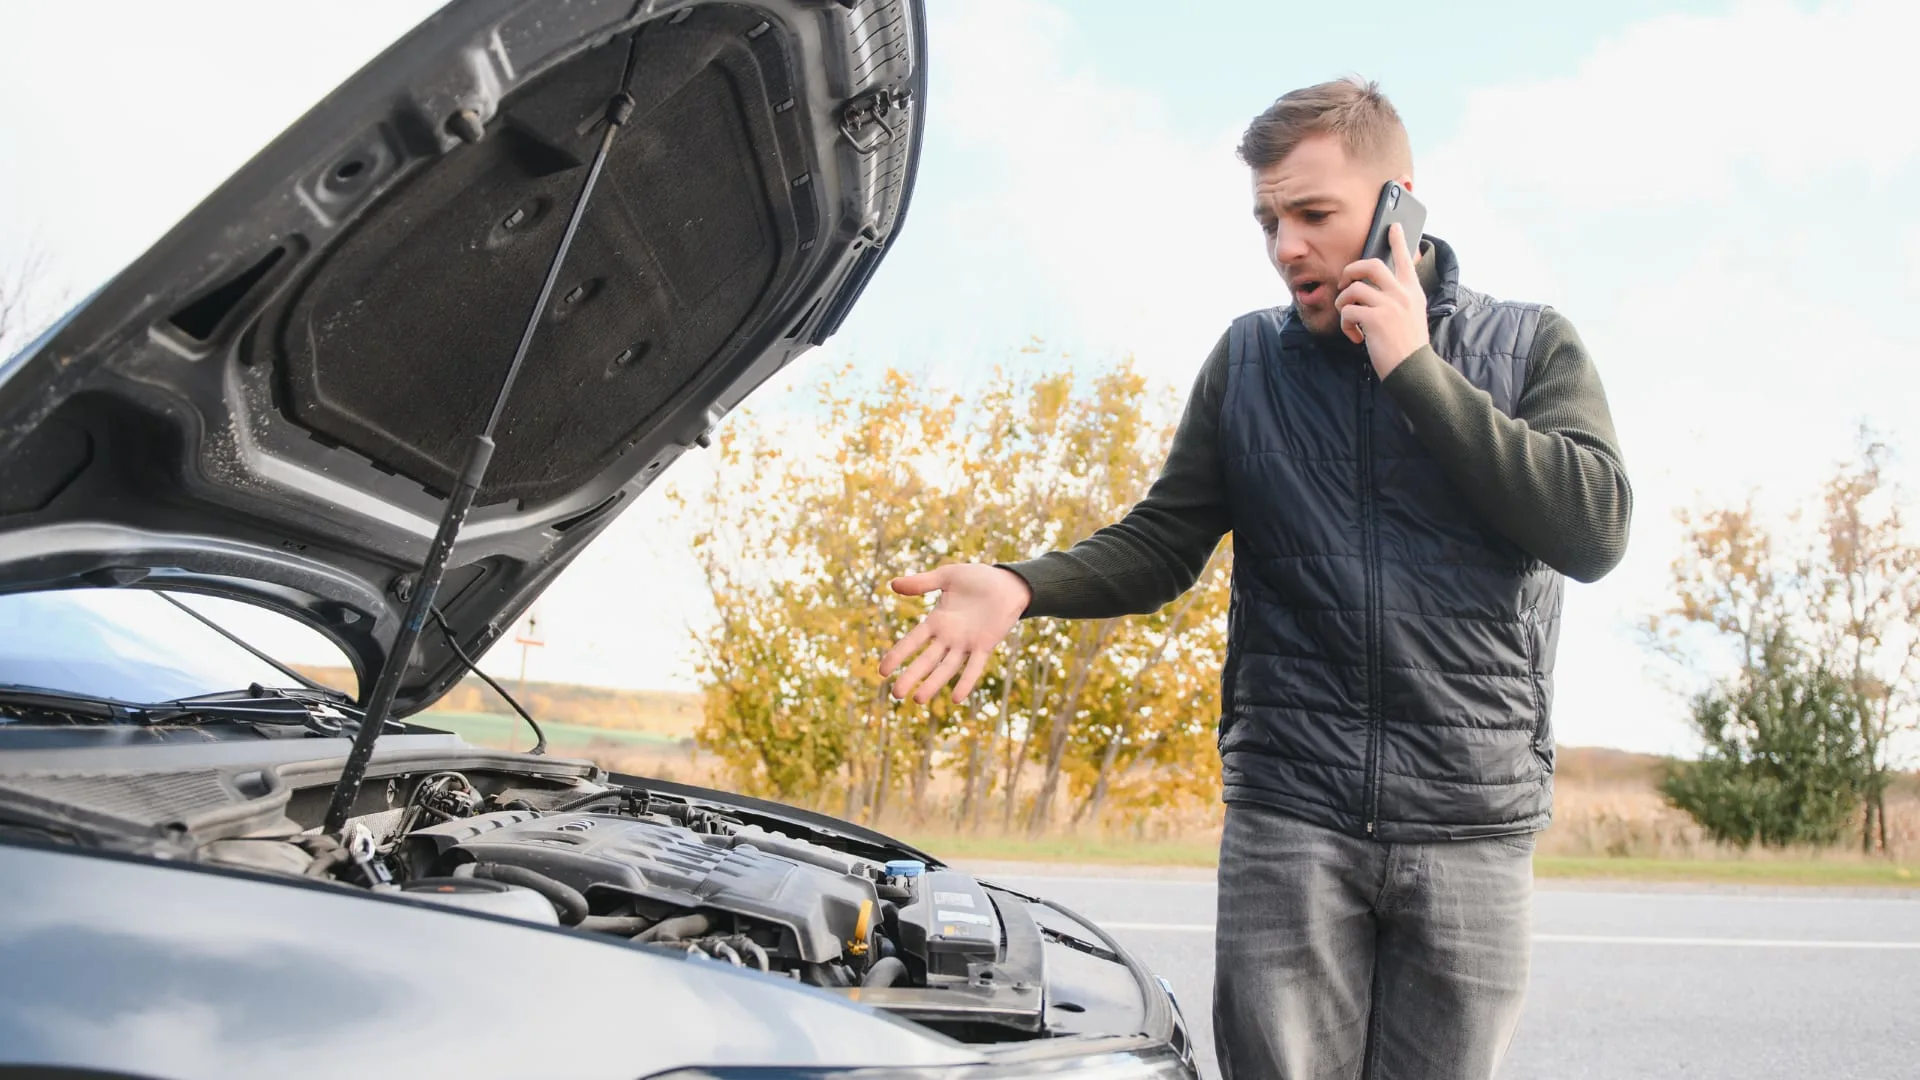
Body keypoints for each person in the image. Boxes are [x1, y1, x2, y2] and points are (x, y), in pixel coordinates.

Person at [878, 77, 1630, 1078]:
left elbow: (1592, 530)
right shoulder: (1247, 362)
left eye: (1313, 214)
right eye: (1269, 220)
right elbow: (1161, 542)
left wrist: (1415, 369)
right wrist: (1021, 585)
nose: (1286, 247)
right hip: (1293, 819)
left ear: (1400, 201)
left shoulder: (1530, 345)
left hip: (1470, 825)